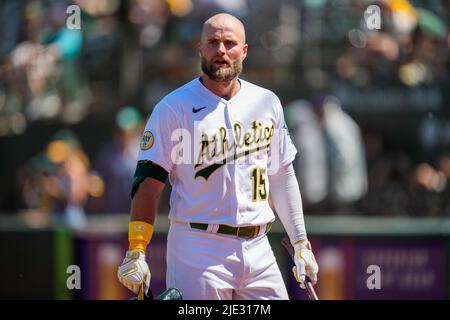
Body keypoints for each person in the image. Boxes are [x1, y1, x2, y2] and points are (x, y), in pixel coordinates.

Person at [117, 13, 318, 300]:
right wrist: (136, 249)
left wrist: (301, 242)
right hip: (198, 245)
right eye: (212, 42)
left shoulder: (267, 102)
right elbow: (148, 182)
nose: (221, 50)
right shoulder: (174, 108)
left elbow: (282, 174)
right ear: (200, 49)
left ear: (244, 51)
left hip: (259, 244)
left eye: (229, 42)